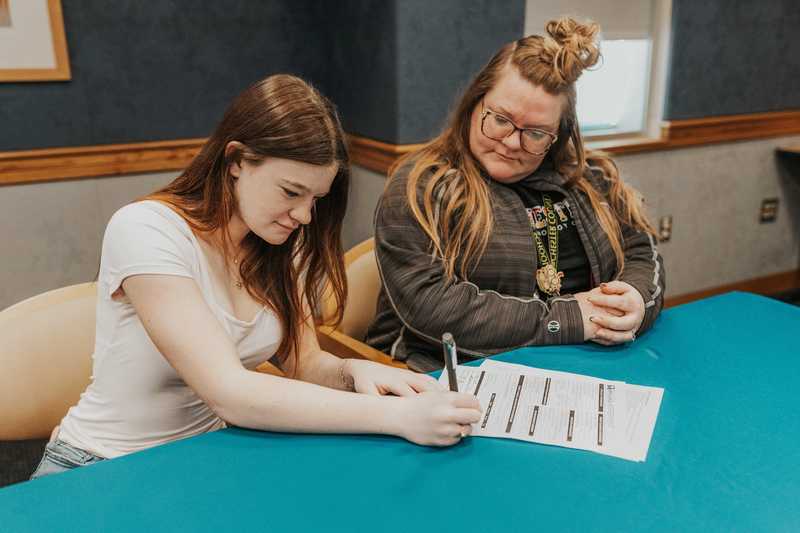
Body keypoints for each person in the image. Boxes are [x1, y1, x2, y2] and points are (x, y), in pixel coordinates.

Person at [31, 75, 481, 480]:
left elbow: (305, 364)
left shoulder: (282, 241)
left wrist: (353, 370)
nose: (305, 214)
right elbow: (230, 391)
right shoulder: (145, 229)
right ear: (236, 161)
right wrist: (397, 418)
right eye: (291, 191)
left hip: (201, 458)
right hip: (98, 464)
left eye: (316, 199)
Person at [366, 18, 665, 372]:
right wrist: (571, 318)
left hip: (581, 366)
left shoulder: (594, 178)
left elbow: (642, 253)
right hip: (442, 374)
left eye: (536, 133)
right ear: (474, 104)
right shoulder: (420, 185)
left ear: (559, 136)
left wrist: (635, 298)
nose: (511, 143)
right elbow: (430, 305)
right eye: (499, 119)